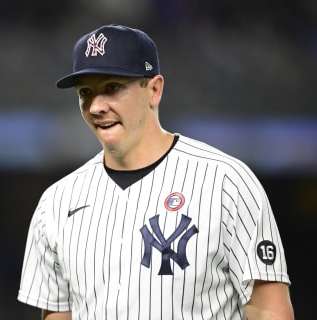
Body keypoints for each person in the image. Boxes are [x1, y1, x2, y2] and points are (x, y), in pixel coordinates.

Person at [17, 24, 294, 320]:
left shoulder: (225, 181)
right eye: (86, 92)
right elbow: (58, 314)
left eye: (112, 88)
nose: (96, 106)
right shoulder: (57, 203)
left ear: (154, 90)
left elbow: (269, 310)